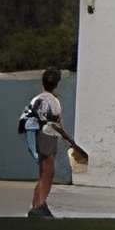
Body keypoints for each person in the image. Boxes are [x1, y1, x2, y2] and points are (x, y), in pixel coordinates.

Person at [22, 67, 73, 218]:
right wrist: (68, 138)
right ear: (57, 84)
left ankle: (36, 205)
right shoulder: (54, 101)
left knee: (43, 173)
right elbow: (57, 124)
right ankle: (40, 205)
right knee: (48, 173)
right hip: (48, 137)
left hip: (37, 135)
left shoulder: (37, 99)